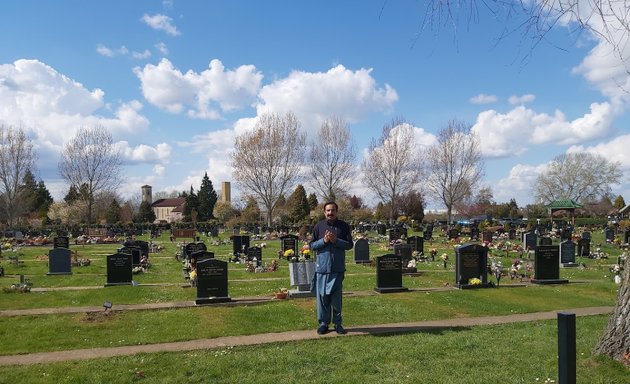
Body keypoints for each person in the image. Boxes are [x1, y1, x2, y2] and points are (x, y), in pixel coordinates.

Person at [310, 201, 353, 335]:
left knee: (336, 299)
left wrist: (336, 241)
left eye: (333, 210)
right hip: (322, 268)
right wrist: (324, 241)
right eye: (328, 210)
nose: (330, 213)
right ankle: (323, 323)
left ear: (337, 211)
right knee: (323, 298)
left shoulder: (343, 226)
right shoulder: (319, 226)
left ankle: (338, 324)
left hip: (337, 268)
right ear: (324, 212)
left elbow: (349, 245)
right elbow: (312, 245)